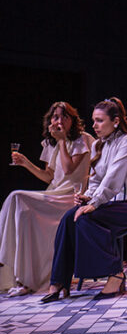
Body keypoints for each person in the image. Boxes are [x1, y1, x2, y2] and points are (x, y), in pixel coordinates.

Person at [41, 98, 127, 303]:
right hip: (108, 204)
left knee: (85, 219)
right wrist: (87, 196)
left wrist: (94, 203)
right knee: (68, 218)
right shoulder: (99, 144)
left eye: (99, 121)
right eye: (93, 120)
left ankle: (115, 274)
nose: (94, 126)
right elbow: (97, 179)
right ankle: (59, 281)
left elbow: (113, 178)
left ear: (115, 121)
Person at [0, 102, 94, 296]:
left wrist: (61, 141)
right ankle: (23, 278)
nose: (59, 121)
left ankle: (19, 268)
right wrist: (26, 163)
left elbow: (69, 169)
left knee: (17, 197)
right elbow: (48, 177)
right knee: (21, 209)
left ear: (72, 120)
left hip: (71, 196)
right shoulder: (50, 143)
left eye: (64, 117)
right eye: (55, 117)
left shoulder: (81, 140)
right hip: (54, 193)